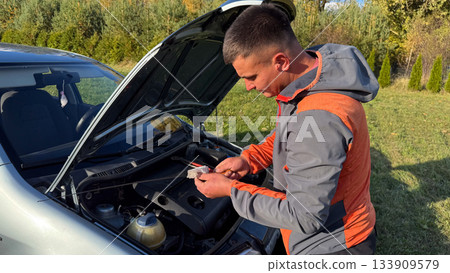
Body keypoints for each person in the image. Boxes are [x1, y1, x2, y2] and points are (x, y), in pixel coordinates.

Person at [194, 3, 378, 255]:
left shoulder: (321, 116)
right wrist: (249, 160)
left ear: (280, 61)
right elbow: (290, 134)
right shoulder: (311, 79)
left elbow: (305, 215)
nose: (248, 87)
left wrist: (231, 190)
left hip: (333, 247)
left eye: (251, 77)